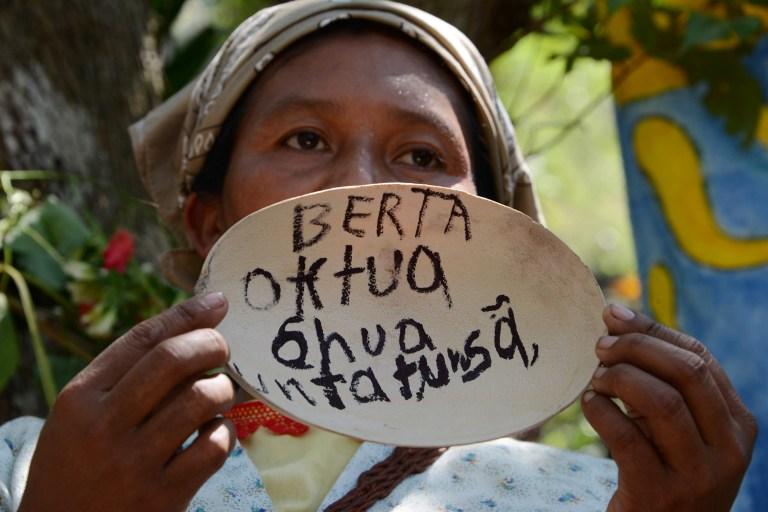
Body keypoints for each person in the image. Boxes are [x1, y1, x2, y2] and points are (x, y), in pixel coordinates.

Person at [0, 1, 757, 511]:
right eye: (305, 140)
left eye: (423, 157)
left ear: (501, 241)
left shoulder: (598, 498)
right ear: (208, 224)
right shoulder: (38, 469)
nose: (361, 186)